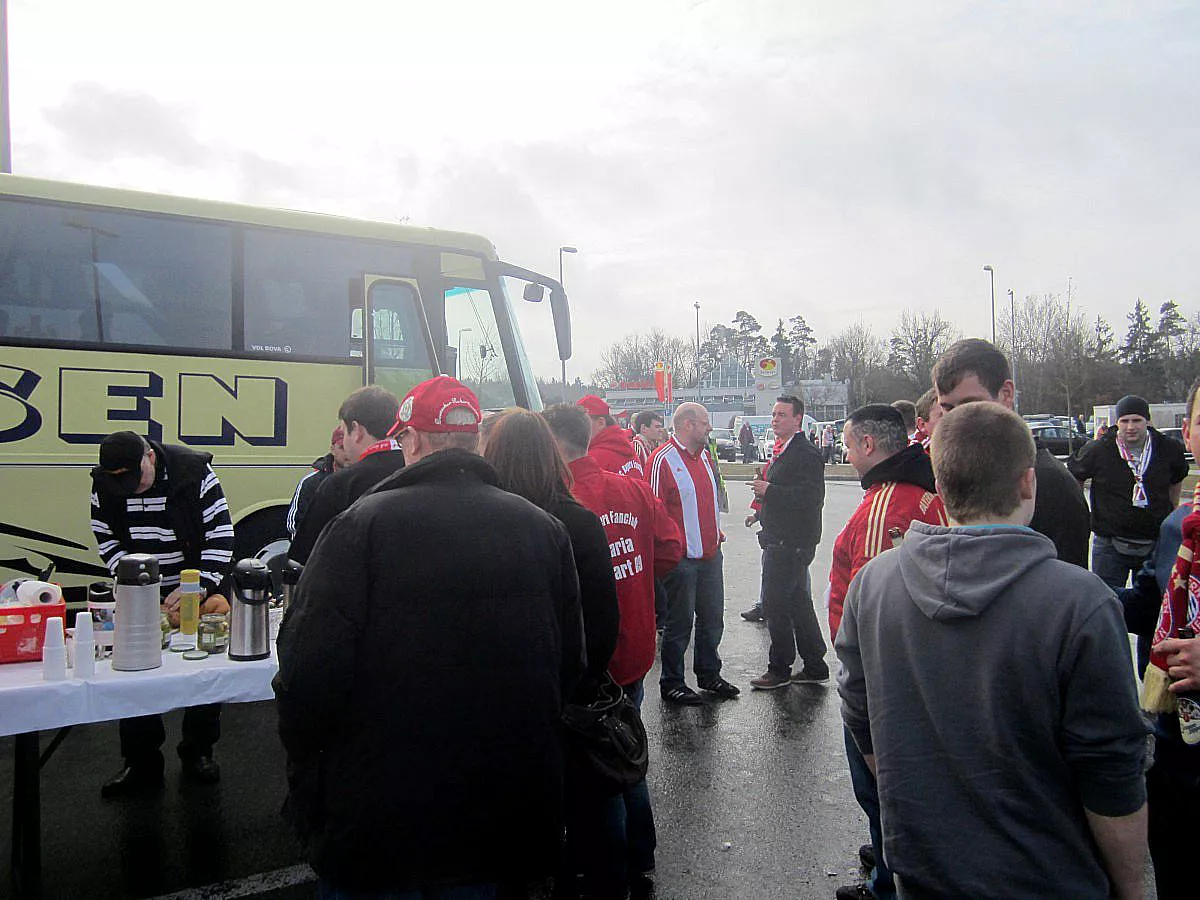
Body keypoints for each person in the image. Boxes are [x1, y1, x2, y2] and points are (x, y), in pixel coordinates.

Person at [275, 376, 585, 897]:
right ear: (472, 442)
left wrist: (313, 774)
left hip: (381, 818)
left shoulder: (359, 526)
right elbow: (569, 663)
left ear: (413, 441)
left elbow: (309, 674)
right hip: (502, 816)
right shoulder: (542, 528)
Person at [836, 402, 1148, 898]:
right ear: (1028, 483)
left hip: (922, 870)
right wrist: (1133, 887)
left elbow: (860, 716)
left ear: (940, 485)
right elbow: (1110, 773)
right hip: (1048, 878)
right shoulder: (1082, 603)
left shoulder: (873, 585)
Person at [543, 403, 684, 900]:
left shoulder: (564, 500)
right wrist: (637, 578)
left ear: (554, 443)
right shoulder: (630, 487)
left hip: (595, 655)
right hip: (636, 645)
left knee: (600, 769)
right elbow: (671, 547)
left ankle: (614, 871)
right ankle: (639, 857)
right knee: (627, 750)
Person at [825, 404, 947, 900]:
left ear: (870, 446)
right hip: (921, 672)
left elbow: (871, 608)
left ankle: (888, 882)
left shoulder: (884, 508)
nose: (848, 455)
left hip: (883, 684)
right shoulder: (922, 492)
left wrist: (864, 685)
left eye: (850, 446)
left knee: (879, 788)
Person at [90, 431, 235, 797]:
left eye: (136, 480)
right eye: (121, 485)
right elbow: (106, 540)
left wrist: (197, 586)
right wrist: (137, 585)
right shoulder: (106, 484)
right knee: (134, 672)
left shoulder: (194, 473)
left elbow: (221, 534)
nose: (132, 490)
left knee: (203, 668)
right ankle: (141, 761)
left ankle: (198, 751)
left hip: (195, 583)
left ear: (149, 457)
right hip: (141, 589)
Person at [1117, 375, 1200, 896]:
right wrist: (1064, 597)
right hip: (1175, 755)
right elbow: (1145, 600)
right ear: (1188, 434)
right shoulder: (1179, 525)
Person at [932, 338, 1090, 566]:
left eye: (970, 405)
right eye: (948, 409)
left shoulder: (1053, 484)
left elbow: (1068, 590)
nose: (959, 420)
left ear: (1006, 394)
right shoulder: (956, 469)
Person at [648, 402, 739, 705]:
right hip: (682, 560)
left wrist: (715, 532)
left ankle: (709, 674)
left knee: (712, 619)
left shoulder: (704, 457)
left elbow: (707, 502)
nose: (709, 428)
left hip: (711, 555)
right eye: (704, 423)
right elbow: (651, 509)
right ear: (687, 424)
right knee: (679, 623)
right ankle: (672, 682)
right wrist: (666, 552)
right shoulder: (662, 460)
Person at [1068, 394, 1188, 594]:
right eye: (1124, 421)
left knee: (1151, 606)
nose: (1130, 427)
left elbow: (1177, 477)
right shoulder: (1100, 449)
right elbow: (1075, 474)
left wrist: (1172, 508)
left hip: (1154, 541)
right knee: (1105, 602)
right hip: (1109, 544)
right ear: (1117, 422)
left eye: (1136, 420)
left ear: (1147, 421)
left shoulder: (1168, 448)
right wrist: (1080, 509)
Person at [747, 395, 828, 690]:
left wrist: (769, 490)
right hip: (782, 538)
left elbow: (810, 497)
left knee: (774, 605)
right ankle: (815, 664)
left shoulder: (804, 453)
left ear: (798, 419)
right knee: (798, 603)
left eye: (782, 414)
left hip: (790, 542)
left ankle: (779, 668)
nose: (775, 419)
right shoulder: (784, 450)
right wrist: (761, 512)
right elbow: (786, 493)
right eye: (774, 414)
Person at [287, 385, 402, 565]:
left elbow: (305, 558)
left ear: (356, 431)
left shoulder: (339, 485)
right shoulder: (421, 472)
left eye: (343, 430)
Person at [285, 425, 351, 539]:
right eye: (342, 448)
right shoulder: (311, 482)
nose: (348, 454)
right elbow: (295, 524)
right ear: (332, 449)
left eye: (351, 448)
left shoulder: (369, 480)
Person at [578, 395, 644, 477]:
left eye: (581, 422)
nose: (577, 427)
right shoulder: (627, 448)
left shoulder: (594, 459)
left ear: (601, 423)